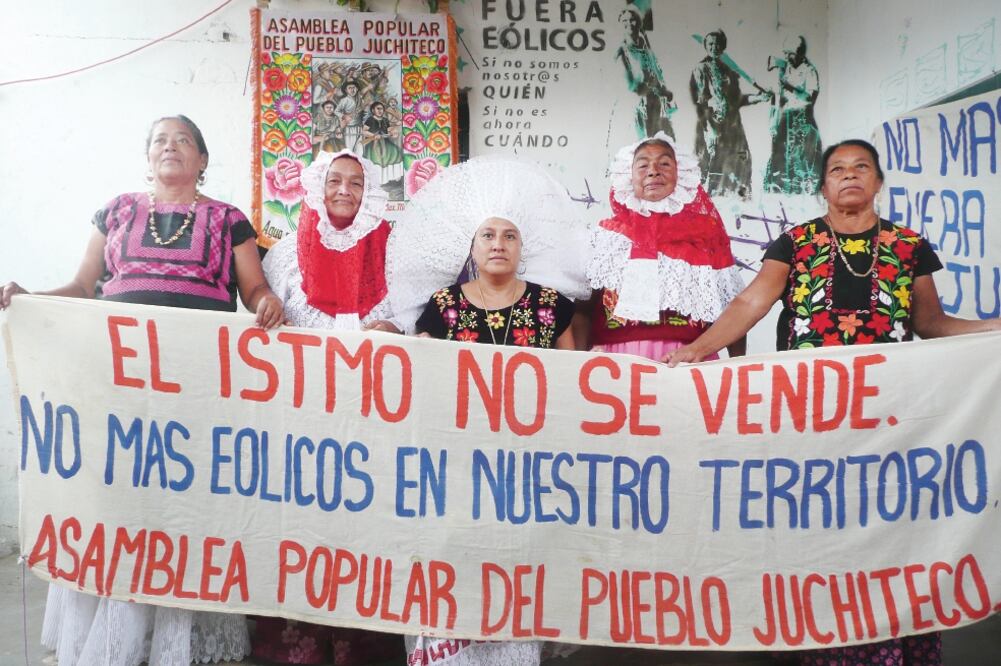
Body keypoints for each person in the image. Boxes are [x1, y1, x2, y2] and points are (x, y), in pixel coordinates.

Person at [668, 140, 1001, 663]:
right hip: (806, 416)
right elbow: (751, 302)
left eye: (861, 167)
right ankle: (805, 633)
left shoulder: (909, 245)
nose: (849, 176)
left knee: (882, 519)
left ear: (878, 181)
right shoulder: (795, 243)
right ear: (822, 186)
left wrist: (992, 328)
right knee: (810, 517)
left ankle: (884, 639)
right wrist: (697, 350)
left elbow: (930, 323)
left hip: (886, 417)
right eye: (837, 169)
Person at [1, 115, 283, 665]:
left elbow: (254, 288)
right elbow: (85, 286)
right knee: (122, 501)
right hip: (117, 381)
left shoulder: (229, 220)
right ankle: (113, 636)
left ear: (203, 160)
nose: (170, 148)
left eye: (183, 141)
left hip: (196, 382)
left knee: (180, 501)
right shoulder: (117, 211)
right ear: (146, 157)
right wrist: (32, 298)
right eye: (160, 140)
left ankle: (178, 638)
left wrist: (267, 302)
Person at [386, 156, 589, 666]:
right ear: (471, 248)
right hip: (458, 462)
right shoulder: (443, 305)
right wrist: (389, 337)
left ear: (524, 247)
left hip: (529, 464)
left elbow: (573, 381)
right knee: (458, 554)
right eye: (488, 236)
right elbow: (423, 375)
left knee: (516, 560)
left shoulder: (552, 305)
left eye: (509, 236)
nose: (498, 244)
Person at [252, 148, 403, 665]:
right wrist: (266, 308)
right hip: (301, 411)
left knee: (366, 520)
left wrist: (392, 329)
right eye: (334, 180)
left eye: (356, 183)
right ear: (317, 186)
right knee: (302, 519)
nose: (344, 191)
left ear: (369, 193)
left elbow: (411, 320)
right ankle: (301, 642)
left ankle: (362, 643)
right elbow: (262, 318)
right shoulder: (288, 252)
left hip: (371, 413)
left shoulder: (392, 250)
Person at [580, 132, 746, 362]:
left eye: (665, 163)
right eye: (643, 165)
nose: (653, 170)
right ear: (628, 176)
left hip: (687, 360)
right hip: (614, 360)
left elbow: (734, 308)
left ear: (681, 174)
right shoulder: (605, 237)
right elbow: (582, 309)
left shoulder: (706, 234)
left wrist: (738, 365)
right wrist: (576, 361)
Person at [690, 30, 770, 199]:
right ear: (705, 46)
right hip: (714, 125)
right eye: (710, 43)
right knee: (715, 168)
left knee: (742, 162)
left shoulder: (729, 72)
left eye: (717, 43)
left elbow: (738, 100)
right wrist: (710, 128)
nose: (714, 47)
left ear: (723, 46)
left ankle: (741, 203)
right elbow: (702, 101)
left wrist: (760, 98)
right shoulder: (701, 69)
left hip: (734, 126)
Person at [764, 35, 823, 195]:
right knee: (779, 155)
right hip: (785, 117)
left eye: (791, 54)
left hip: (802, 118)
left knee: (801, 158)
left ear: (800, 53)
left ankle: (801, 191)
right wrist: (773, 120)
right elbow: (778, 98)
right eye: (786, 54)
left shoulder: (810, 71)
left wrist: (789, 86)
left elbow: (809, 98)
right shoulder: (786, 69)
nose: (787, 57)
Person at [615, 6, 676, 140]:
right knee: (644, 140)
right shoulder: (622, 50)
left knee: (662, 139)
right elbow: (629, 84)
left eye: (632, 20)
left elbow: (656, 70)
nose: (629, 24)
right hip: (638, 101)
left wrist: (663, 90)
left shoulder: (646, 47)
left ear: (638, 22)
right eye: (625, 21)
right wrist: (647, 89)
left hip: (655, 99)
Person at [361, 101, 403, 177]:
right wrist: (373, 135)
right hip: (374, 143)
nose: (380, 111)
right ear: (373, 110)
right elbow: (364, 131)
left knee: (395, 152)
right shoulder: (370, 120)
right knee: (376, 158)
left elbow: (389, 129)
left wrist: (393, 132)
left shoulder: (385, 120)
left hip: (385, 141)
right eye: (378, 109)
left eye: (382, 109)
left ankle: (389, 176)